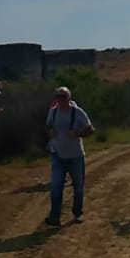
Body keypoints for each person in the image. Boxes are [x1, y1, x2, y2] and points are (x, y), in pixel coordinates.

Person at [44, 86, 94, 226]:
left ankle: (78, 213)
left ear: (69, 98)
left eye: (63, 96)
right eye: (58, 96)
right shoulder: (53, 112)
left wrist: (77, 133)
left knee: (78, 186)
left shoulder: (78, 112)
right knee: (56, 187)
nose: (60, 99)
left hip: (75, 156)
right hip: (57, 155)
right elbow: (47, 126)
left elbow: (90, 130)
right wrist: (50, 132)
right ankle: (55, 217)